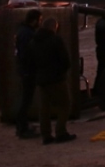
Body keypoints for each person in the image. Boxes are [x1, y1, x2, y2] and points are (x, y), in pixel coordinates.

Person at [31, 17, 76, 145]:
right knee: (65, 105)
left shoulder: (34, 41)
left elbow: (29, 62)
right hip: (56, 79)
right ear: (53, 27)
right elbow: (65, 60)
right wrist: (61, 73)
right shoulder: (55, 40)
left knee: (44, 108)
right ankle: (60, 132)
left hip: (41, 79)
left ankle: (46, 135)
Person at [14, 9, 41, 139]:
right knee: (26, 100)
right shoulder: (27, 34)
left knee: (26, 99)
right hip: (28, 71)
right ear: (34, 20)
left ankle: (22, 126)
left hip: (25, 70)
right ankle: (22, 128)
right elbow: (27, 54)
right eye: (39, 20)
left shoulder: (23, 32)